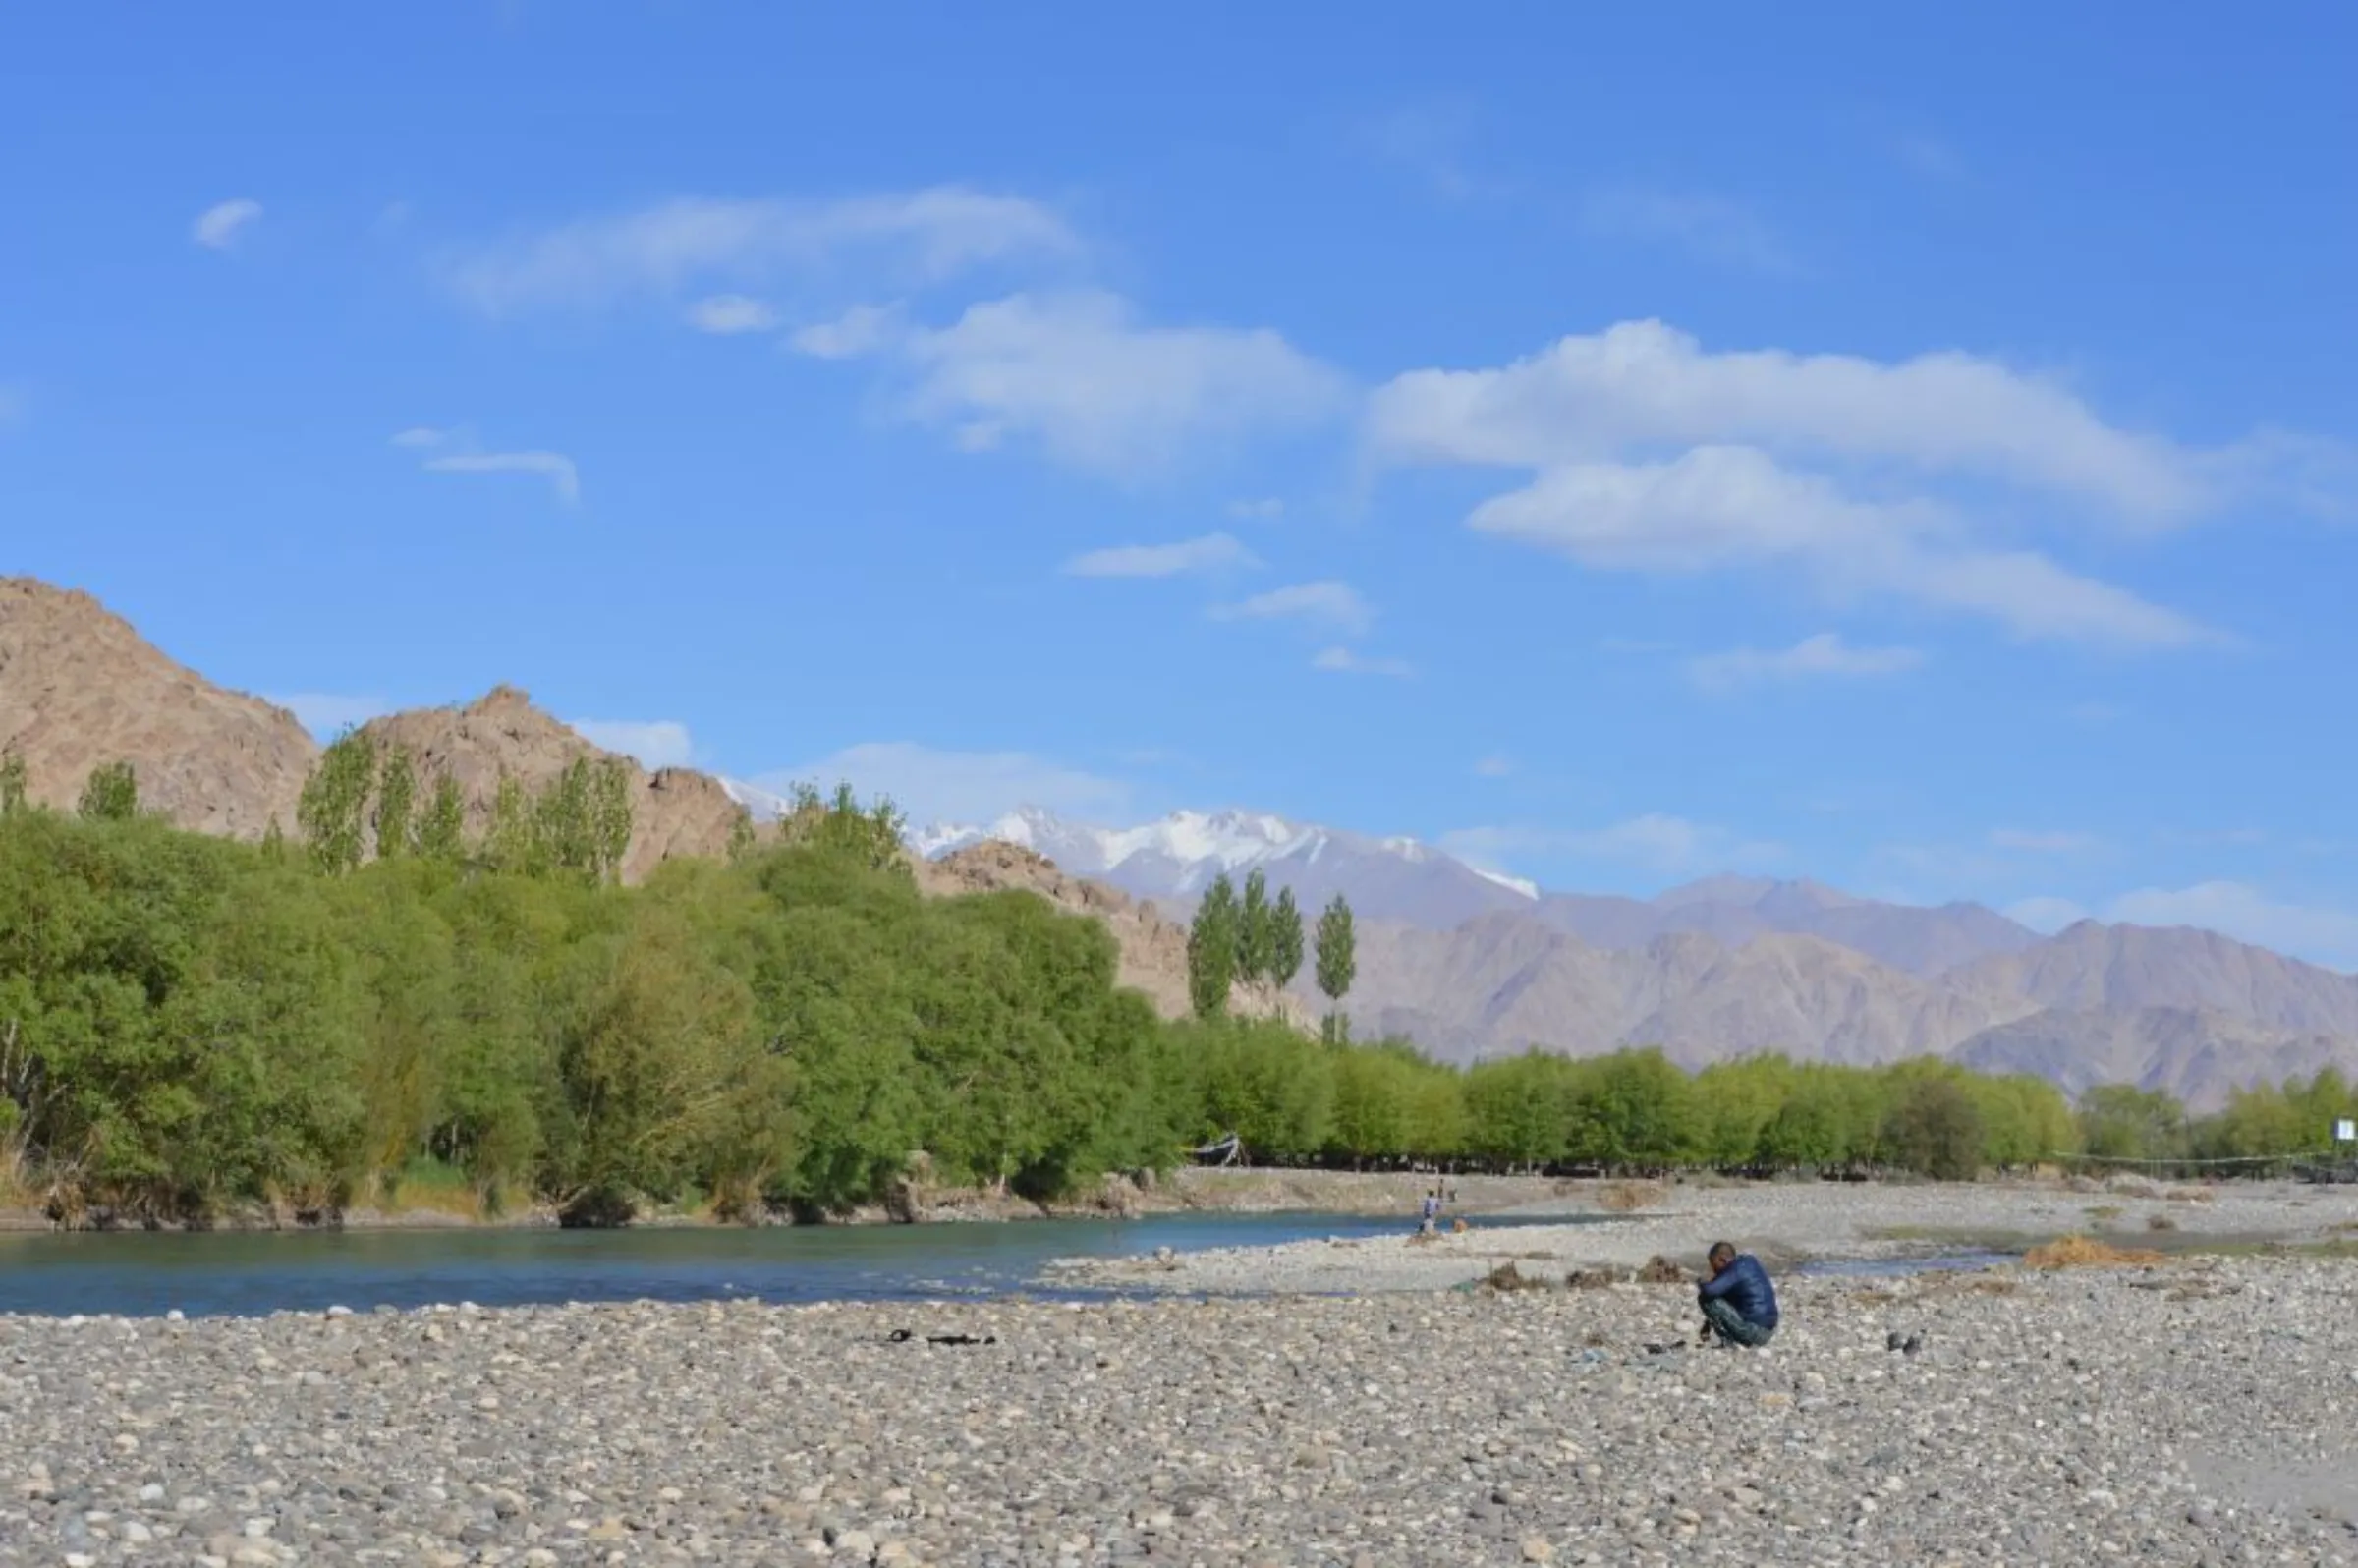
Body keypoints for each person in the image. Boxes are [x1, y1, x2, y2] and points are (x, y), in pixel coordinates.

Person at [1696, 1241, 1778, 1347]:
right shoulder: (1749, 1262)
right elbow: (1723, 1302)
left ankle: (1728, 1343)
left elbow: (1710, 1292)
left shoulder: (1735, 1270)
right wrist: (1706, 1326)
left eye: (1714, 1264)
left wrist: (1701, 1282)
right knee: (1719, 1297)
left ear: (1722, 1259)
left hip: (1753, 1332)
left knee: (1705, 1299)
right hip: (1767, 1332)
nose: (1714, 1270)